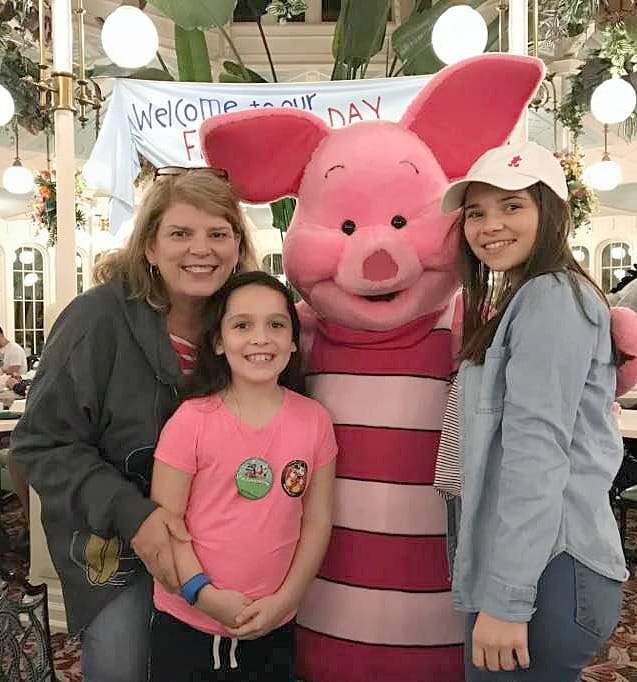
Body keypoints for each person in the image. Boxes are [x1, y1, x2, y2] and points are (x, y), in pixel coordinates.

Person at [9, 167, 257, 682]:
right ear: (149, 246)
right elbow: (40, 444)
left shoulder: (244, 324)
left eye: (218, 233)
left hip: (216, 543)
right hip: (116, 550)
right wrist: (133, 514)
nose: (201, 249)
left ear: (237, 244)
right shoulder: (95, 319)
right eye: (181, 233)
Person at [439, 141, 626, 682]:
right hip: (538, 562)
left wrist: (508, 600)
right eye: (477, 212)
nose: (490, 224)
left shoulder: (550, 298)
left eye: (512, 205)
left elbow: (536, 456)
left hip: (548, 569)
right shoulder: (527, 298)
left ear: (552, 213)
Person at [148, 271, 337, 682]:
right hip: (188, 623)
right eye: (241, 325)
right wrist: (205, 595)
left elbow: (317, 520)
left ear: (293, 339)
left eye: (276, 324)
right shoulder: (190, 421)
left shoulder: (315, 421)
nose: (261, 338)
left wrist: (285, 600)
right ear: (218, 341)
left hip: (275, 624)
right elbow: (166, 525)